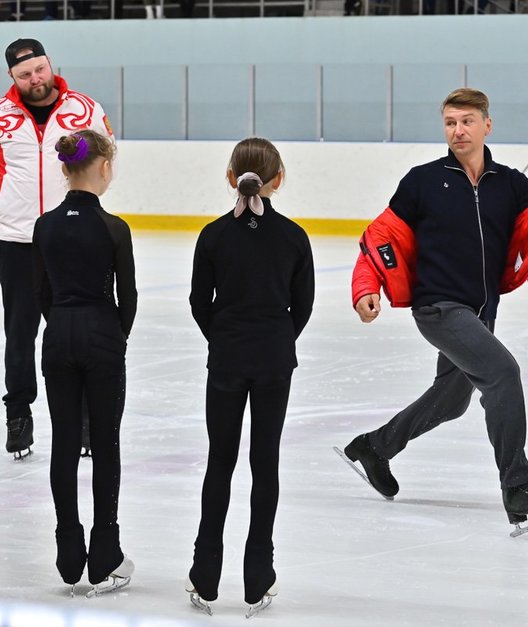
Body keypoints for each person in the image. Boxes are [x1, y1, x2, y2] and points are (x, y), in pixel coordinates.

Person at [342, 88, 528, 537]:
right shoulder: (422, 182)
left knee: (452, 400)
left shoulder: (509, 184)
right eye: (450, 122)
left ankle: (374, 448)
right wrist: (365, 288)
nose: (458, 130)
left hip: (480, 310)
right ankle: (519, 489)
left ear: (487, 125)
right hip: (438, 307)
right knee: (502, 373)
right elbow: (381, 237)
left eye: (467, 121)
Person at [185, 137, 315, 618]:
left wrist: (223, 338)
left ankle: (204, 573)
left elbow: (200, 303)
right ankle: (259, 574)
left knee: (220, 460)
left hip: (227, 358)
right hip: (273, 360)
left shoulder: (215, 235)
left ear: (230, 176)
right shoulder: (294, 237)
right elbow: (302, 306)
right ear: (278, 179)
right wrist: (278, 339)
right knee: (265, 461)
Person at [0, 38, 113, 460]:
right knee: (20, 333)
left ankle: (84, 419)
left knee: (77, 332)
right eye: (24, 74)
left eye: (40, 70)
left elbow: (104, 165)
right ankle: (18, 416)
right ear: (11, 77)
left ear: (50, 66)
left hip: (73, 241)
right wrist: (9, 211)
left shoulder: (84, 111)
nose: (35, 79)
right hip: (18, 244)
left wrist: (81, 214)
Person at [31, 130, 136, 596]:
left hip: (58, 337)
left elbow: (42, 293)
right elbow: (127, 298)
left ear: (64, 169)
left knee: (64, 441)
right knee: (105, 443)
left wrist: (62, 324)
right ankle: (105, 547)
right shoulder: (114, 228)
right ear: (104, 167)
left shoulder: (44, 225)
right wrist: (114, 337)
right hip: (101, 334)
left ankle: (68, 547)